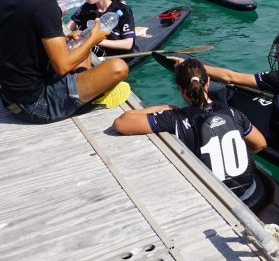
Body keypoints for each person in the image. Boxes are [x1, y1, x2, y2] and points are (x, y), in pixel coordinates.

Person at [0, 0, 129, 124]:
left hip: (9, 95)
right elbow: (62, 66)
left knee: (79, 48)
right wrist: (94, 38)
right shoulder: (46, 6)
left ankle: (85, 86)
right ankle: (93, 96)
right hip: (35, 105)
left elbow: (23, 41)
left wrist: (64, 39)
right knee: (118, 67)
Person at [113, 58, 267, 206]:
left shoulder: (175, 118)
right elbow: (260, 144)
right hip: (250, 192)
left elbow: (121, 123)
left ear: (179, 88)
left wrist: (167, 107)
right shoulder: (233, 113)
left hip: (218, 200)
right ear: (208, 82)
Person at [169, 28, 279, 144]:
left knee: (227, 94)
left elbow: (230, 77)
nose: (276, 55)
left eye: (278, 51)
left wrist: (193, 67)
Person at [66, 0, 136, 59]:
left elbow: (128, 44)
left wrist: (94, 40)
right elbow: (68, 28)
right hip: (92, 56)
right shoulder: (86, 8)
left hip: (116, 58)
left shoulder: (123, 10)